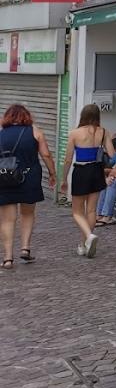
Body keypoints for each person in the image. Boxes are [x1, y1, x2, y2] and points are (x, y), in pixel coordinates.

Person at [0, 104, 56, 268]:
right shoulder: (35, 131)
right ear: (26, 116)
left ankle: (8, 258)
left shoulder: (1, 134)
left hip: (5, 178)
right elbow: (45, 154)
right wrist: (52, 173)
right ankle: (25, 248)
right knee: (28, 213)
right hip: (29, 177)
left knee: (7, 220)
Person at [60, 104, 113, 258]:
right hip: (97, 171)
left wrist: (64, 179)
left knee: (77, 211)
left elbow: (68, 159)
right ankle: (84, 244)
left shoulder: (75, 133)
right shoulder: (103, 132)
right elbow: (111, 153)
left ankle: (89, 237)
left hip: (81, 171)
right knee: (91, 210)